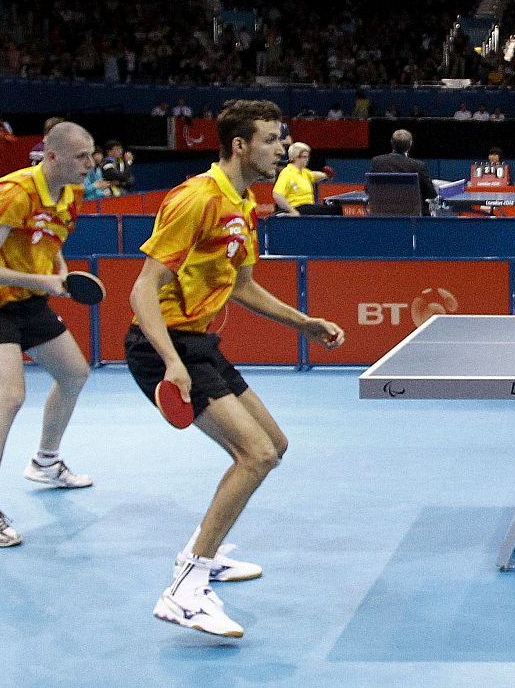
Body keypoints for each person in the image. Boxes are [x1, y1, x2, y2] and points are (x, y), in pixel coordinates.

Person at [127, 100, 346, 637]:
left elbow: (242, 285)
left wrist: (304, 323)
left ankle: (206, 548)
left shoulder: (245, 202)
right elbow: (141, 289)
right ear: (240, 145)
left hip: (200, 342)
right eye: (272, 139)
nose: (282, 148)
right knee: (256, 454)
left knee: (274, 444)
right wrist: (173, 364)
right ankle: (184, 588)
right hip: (165, 347)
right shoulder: (197, 199)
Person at [0, 122, 97, 548]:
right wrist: (42, 284)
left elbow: (50, 242)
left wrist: (57, 270)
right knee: (10, 396)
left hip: (29, 299)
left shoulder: (71, 194)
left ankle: (46, 462)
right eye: (80, 157)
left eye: (91, 155)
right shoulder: (13, 192)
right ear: (51, 157)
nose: (90, 165)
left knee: (74, 374)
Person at [369, 129, 437, 215]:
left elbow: (369, 189)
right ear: (410, 144)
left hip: (382, 215)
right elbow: (431, 194)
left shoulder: (377, 162)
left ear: (391, 143)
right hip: (411, 217)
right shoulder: (418, 165)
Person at [272, 141, 338, 216]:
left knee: (335, 208)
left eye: (307, 157)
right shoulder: (287, 173)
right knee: (334, 210)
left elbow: (314, 175)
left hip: (308, 207)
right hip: (297, 207)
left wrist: (326, 175)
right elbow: (277, 195)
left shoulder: (304, 172)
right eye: (304, 157)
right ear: (295, 157)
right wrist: (292, 211)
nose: (307, 159)